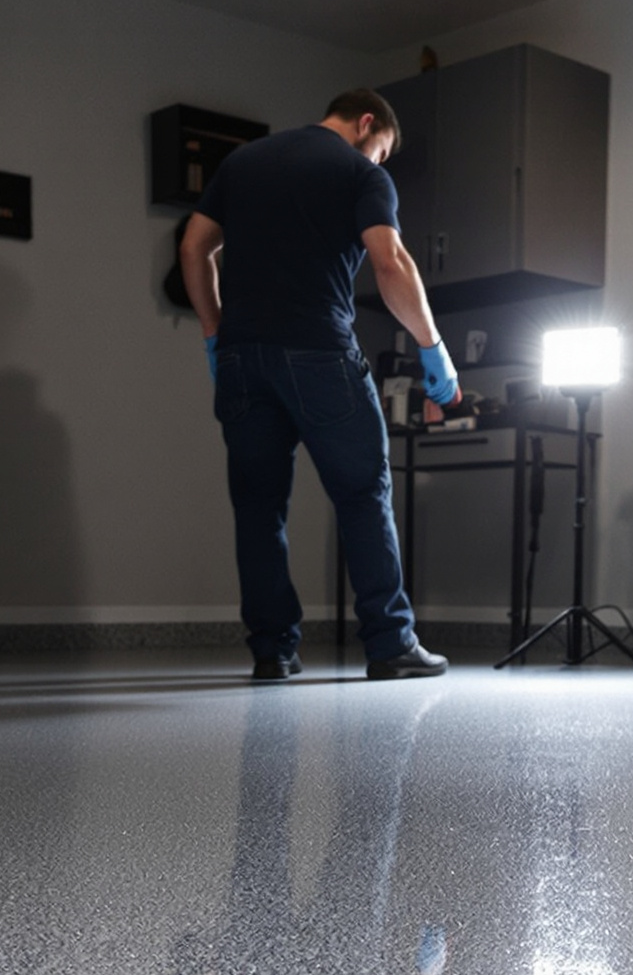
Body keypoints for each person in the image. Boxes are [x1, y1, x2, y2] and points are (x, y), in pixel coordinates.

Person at [179, 89, 459, 682]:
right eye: (381, 150)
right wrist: (434, 351)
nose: (379, 162)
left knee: (258, 508)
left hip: (241, 357)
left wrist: (214, 335)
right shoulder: (361, 174)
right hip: (317, 353)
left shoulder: (243, 162)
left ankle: (273, 650)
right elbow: (392, 264)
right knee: (363, 493)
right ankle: (390, 644)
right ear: (366, 125)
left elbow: (194, 248)